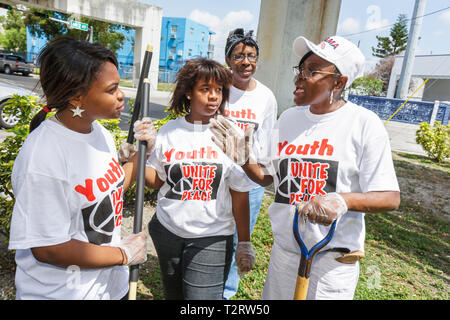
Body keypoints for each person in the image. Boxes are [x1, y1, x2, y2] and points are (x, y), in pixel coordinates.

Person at [210, 35, 400, 300]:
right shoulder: (288, 118)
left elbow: (389, 197)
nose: (300, 77)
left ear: (340, 82)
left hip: (330, 266)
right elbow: (267, 177)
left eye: (312, 71)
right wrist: (244, 158)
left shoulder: (364, 124)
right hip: (284, 257)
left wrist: (342, 201)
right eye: (300, 69)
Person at [8, 36, 153, 300]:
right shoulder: (42, 155)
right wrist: (123, 254)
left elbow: (110, 194)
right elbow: (48, 247)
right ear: (77, 97)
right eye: (111, 89)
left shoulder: (98, 132)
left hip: (109, 289)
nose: (121, 95)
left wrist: (143, 153)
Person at [141, 57, 255, 300]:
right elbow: (156, 181)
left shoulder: (230, 133)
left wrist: (244, 243)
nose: (214, 96)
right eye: (205, 89)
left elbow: (239, 192)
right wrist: (138, 156)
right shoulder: (169, 131)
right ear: (189, 93)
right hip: (167, 232)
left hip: (211, 238)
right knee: (174, 296)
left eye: (219, 90)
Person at [222, 28, 278, 300]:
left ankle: (227, 293)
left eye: (252, 56)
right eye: (239, 56)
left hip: (249, 182)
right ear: (228, 59)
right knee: (211, 233)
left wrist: (261, 176)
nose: (246, 62)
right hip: (214, 179)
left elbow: (267, 143)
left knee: (238, 239)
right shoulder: (217, 88)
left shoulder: (266, 97)